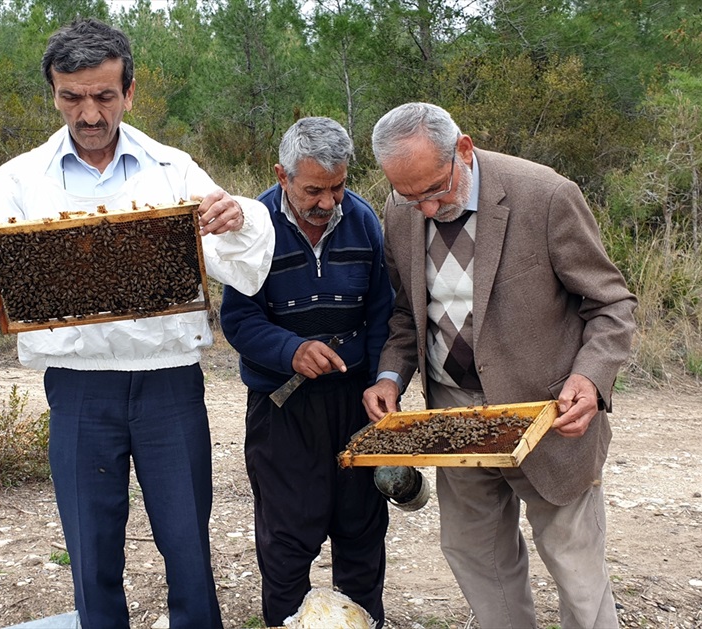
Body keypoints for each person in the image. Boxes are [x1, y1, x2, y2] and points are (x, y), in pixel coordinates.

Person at [0, 18, 274, 629]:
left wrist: (239, 216)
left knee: (188, 544)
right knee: (90, 550)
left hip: (170, 385)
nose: (89, 114)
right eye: (72, 97)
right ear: (53, 93)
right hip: (78, 387)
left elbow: (246, 268)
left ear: (130, 92)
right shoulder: (19, 180)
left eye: (104, 96)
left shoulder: (173, 169)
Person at [363, 102, 637, 628]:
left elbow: (611, 305)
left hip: (548, 416)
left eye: (435, 190)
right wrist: (389, 375)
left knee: (576, 570)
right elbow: (406, 311)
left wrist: (590, 378)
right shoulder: (399, 210)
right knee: (476, 555)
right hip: (453, 415)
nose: (424, 208)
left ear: (463, 149)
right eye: (408, 194)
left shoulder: (547, 196)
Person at [219, 117, 393, 628]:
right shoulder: (253, 226)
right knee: (288, 534)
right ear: (282, 175)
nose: (328, 201)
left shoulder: (363, 221)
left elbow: (383, 313)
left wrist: (384, 379)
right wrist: (291, 349)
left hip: (356, 404)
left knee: (361, 529)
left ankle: (363, 621)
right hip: (283, 405)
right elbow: (239, 319)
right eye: (314, 189)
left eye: (337, 187)